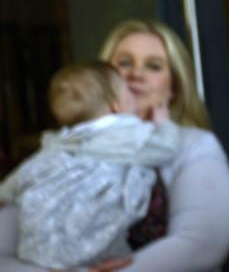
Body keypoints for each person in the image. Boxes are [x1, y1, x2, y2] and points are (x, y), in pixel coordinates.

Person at [0, 19, 229, 271]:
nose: (135, 74)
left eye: (153, 66)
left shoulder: (194, 145)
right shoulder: (66, 149)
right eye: (124, 63)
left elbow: (201, 245)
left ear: (174, 88)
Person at [0, 61, 178, 270]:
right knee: (111, 240)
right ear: (116, 106)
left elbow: (24, 174)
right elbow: (166, 149)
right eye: (128, 91)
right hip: (95, 237)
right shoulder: (125, 134)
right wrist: (163, 123)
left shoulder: (59, 143)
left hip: (42, 244)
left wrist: (3, 193)